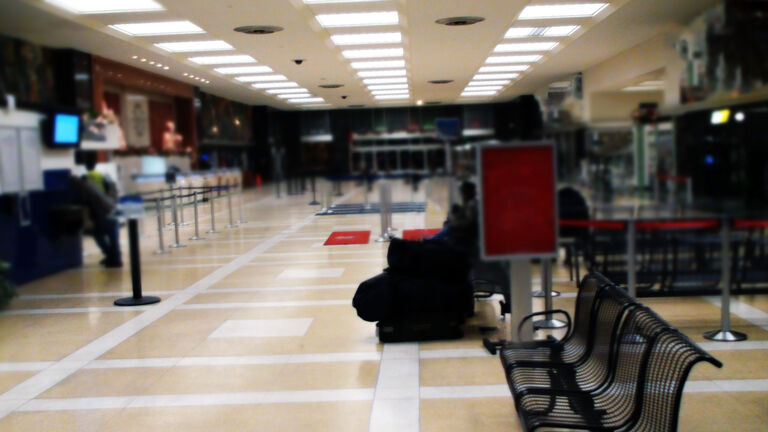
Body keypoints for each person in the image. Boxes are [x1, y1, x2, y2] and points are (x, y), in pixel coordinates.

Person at [75, 156, 122, 267]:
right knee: (112, 233)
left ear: (86, 166)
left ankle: (111, 256)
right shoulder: (103, 175)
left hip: (96, 209)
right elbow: (113, 190)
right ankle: (114, 257)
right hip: (108, 206)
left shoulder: (84, 178)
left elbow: (83, 197)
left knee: (98, 233)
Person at [430, 181, 479, 254]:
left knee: (449, 227)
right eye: (462, 193)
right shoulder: (468, 203)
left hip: (463, 232)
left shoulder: (472, 204)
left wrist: (453, 223)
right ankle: (435, 238)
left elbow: (469, 222)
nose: (462, 195)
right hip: (459, 229)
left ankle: (435, 239)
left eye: (464, 192)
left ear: (470, 192)